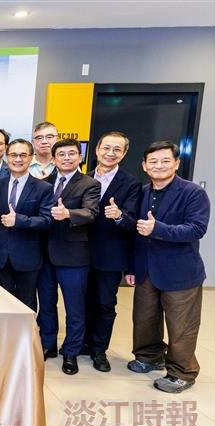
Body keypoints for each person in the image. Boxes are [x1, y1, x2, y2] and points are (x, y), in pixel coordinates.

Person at [127, 140, 210, 394]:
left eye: (165, 161)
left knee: (181, 325)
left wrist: (158, 229)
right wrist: (132, 266)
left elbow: (197, 229)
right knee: (145, 318)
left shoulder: (192, 192)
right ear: (144, 165)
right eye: (153, 161)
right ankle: (150, 356)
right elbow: (135, 233)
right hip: (146, 268)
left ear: (176, 163)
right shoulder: (142, 191)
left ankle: (182, 372)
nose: (159, 166)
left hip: (180, 271)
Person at [37, 138, 100, 376]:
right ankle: (48, 344)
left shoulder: (89, 184)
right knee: (47, 304)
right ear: (53, 158)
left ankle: (71, 351)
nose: (66, 158)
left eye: (71, 154)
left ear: (79, 157)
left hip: (74, 255)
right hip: (44, 254)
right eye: (61, 154)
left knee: (74, 307)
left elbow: (91, 212)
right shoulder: (43, 183)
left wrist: (68, 213)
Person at [83, 131, 141, 372]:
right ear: (97, 149)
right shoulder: (83, 178)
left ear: (124, 153)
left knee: (105, 303)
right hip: (80, 252)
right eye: (106, 148)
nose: (110, 153)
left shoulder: (131, 183)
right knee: (82, 301)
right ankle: (82, 343)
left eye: (117, 149)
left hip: (110, 254)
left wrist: (119, 216)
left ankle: (99, 350)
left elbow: (133, 223)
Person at [0, 139, 54, 311]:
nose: (18, 159)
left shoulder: (43, 188)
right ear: (7, 156)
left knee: (26, 305)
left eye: (23, 155)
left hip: (28, 257)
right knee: (2, 303)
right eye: (13, 155)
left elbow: (47, 220)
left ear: (31, 158)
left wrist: (19, 220)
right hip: (1, 257)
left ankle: (25, 338)